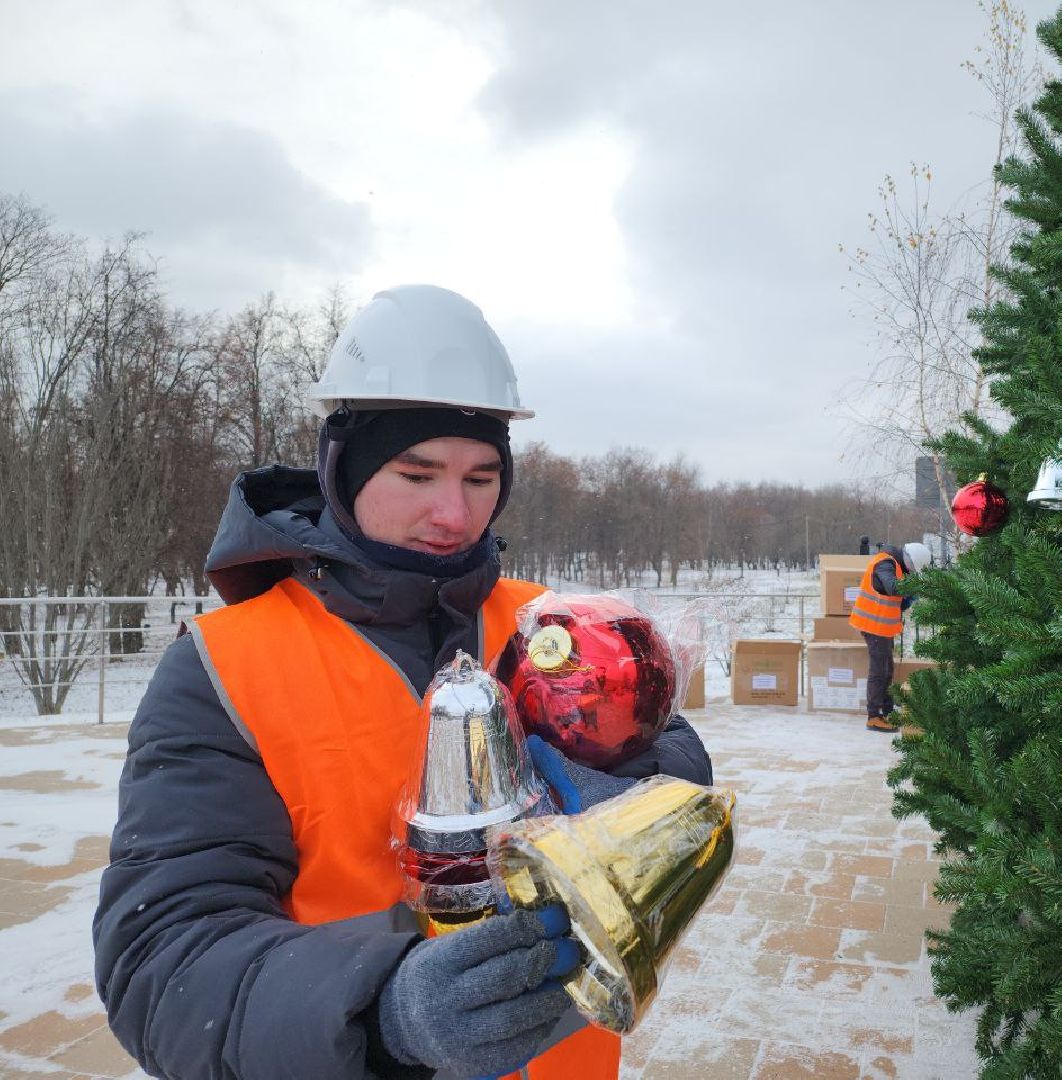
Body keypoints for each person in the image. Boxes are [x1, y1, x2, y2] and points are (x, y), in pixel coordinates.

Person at [92, 285, 713, 1080]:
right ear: (342, 469)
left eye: (481, 477)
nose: (454, 514)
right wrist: (383, 1013)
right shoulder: (223, 665)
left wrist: (627, 783)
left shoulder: (546, 626)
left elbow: (684, 767)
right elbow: (163, 961)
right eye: (417, 475)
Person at [848, 541, 931, 733]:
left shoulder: (897, 566)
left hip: (883, 627)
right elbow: (893, 587)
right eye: (914, 571)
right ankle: (874, 716)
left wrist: (908, 600)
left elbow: (894, 600)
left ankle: (886, 710)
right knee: (879, 671)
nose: (912, 574)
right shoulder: (885, 563)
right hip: (873, 625)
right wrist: (914, 587)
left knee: (887, 670)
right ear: (909, 561)